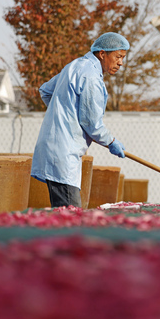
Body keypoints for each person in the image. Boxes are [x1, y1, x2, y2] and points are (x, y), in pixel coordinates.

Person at [31, 32, 129, 208]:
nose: (121, 62)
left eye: (123, 57)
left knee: (62, 214)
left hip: (54, 148)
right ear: (102, 53)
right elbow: (91, 123)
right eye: (118, 56)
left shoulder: (75, 66)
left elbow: (45, 91)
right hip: (64, 154)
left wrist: (63, 112)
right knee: (70, 218)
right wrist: (111, 142)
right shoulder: (91, 76)